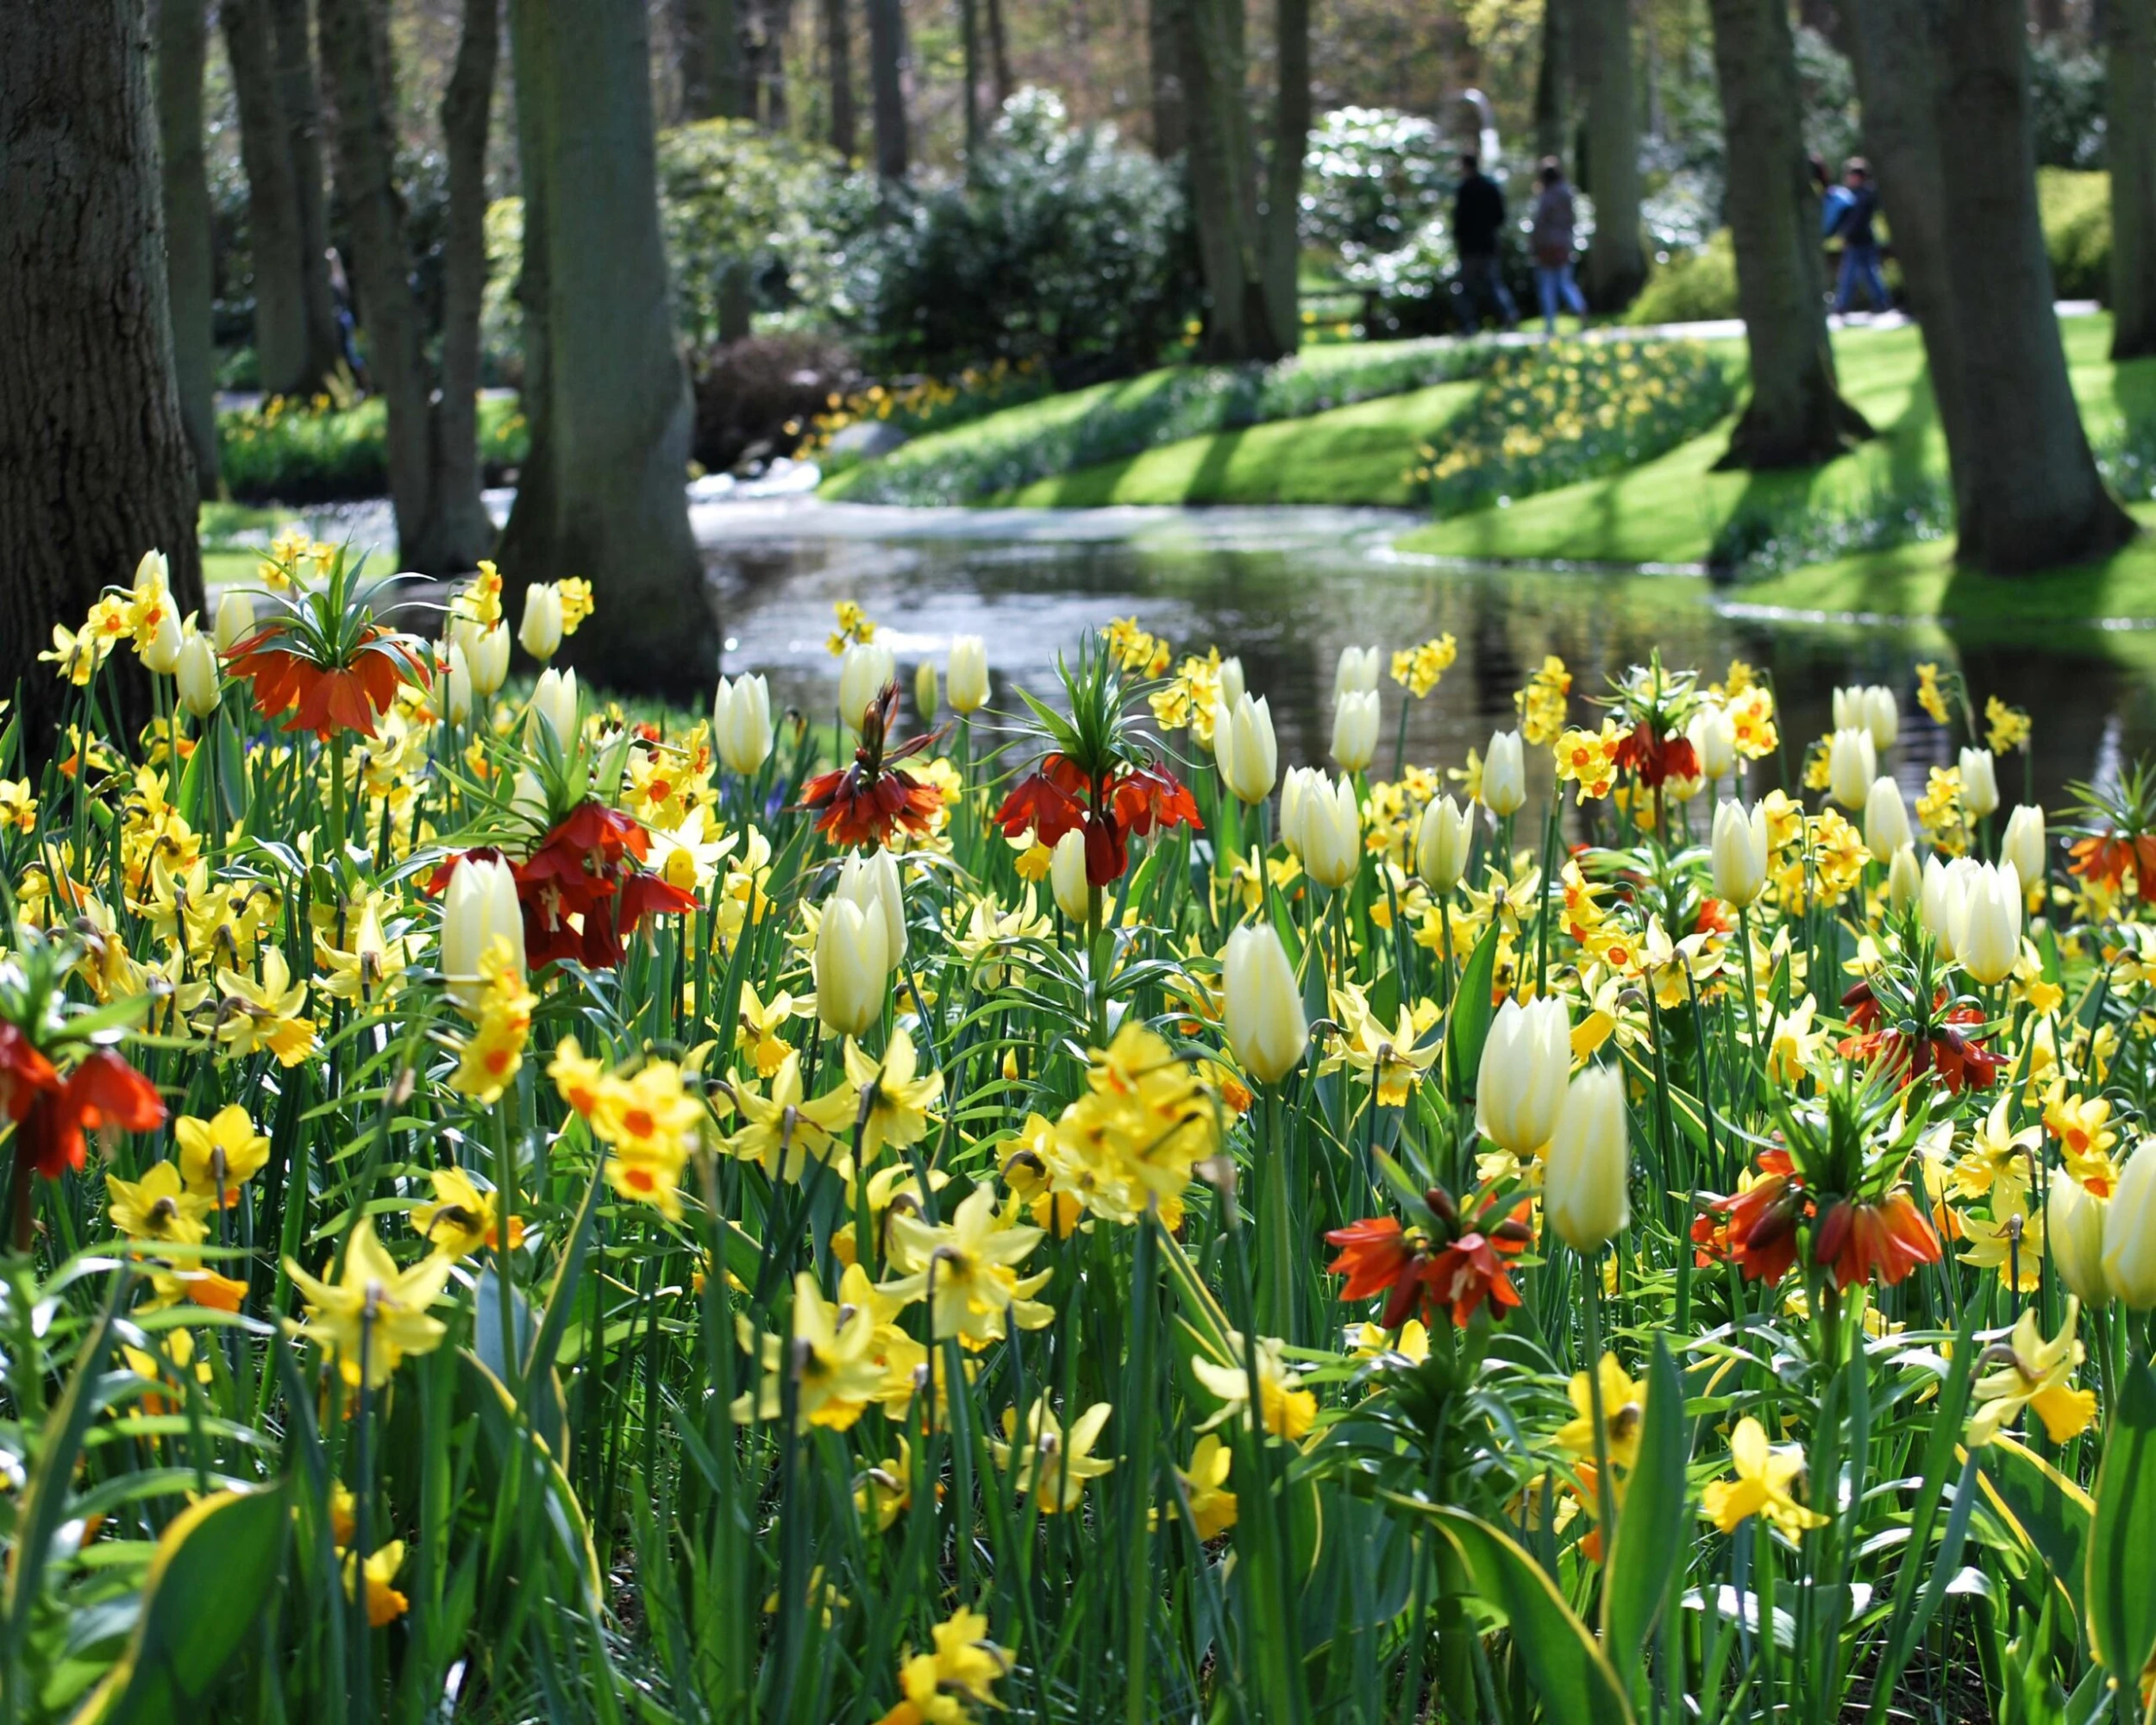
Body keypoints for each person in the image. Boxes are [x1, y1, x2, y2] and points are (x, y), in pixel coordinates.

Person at [1451, 154, 1517, 333]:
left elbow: (1459, 220)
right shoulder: (1490, 187)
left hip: (1470, 247)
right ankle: (1508, 316)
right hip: (1488, 244)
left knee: (1466, 288)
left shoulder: (1464, 190)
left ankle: (1468, 325)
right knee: (1493, 284)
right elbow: (1500, 216)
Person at [1527, 159, 1588, 335]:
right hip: (1563, 243)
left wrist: (1533, 244)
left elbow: (1539, 223)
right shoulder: (1567, 194)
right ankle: (1580, 308)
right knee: (1565, 282)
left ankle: (1549, 322)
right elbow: (1572, 221)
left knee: (1547, 284)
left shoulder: (1546, 196)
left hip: (1546, 245)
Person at [1828, 157, 1889, 316]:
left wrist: (1845, 235)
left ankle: (1842, 306)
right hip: (1861, 240)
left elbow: (1856, 221)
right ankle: (1880, 302)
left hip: (1859, 241)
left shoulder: (1862, 197)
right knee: (1867, 274)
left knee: (1851, 275)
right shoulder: (1858, 195)